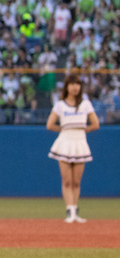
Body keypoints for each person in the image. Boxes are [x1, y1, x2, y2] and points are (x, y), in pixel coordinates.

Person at [46, 73, 100, 223]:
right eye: (72, 84)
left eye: (77, 84)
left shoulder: (85, 104)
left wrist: (82, 130)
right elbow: (49, 125)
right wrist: (65, 129)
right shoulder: (60, 104)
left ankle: (76, 210)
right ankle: (69, 210)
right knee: (67, 180)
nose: (75, 87)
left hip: (80, 142)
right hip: (64, 142)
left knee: (76, 181)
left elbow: (95, 124)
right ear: (67, 87)